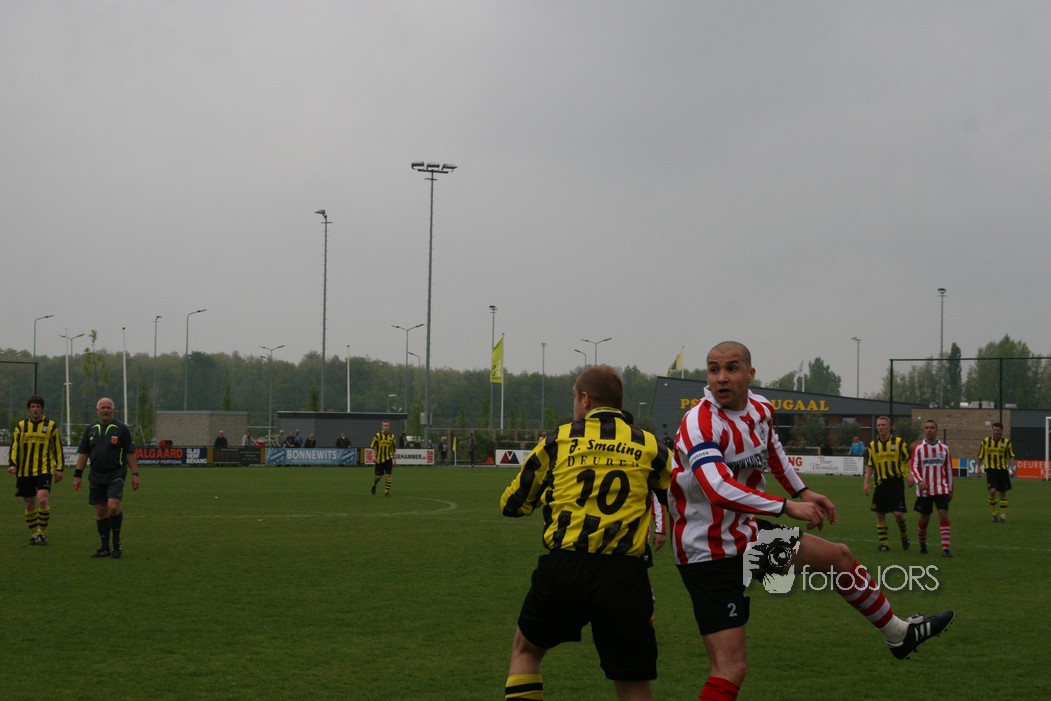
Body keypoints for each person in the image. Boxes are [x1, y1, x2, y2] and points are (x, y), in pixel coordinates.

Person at [668, 342, 953, 700]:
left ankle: (899, 635)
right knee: (730, 668)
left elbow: (772, 450)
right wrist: (787, 506)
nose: (721, 378)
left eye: (732, 368)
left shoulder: (761, 409)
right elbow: (717, 489)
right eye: (714, 370)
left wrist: (803, 491)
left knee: (839, 557)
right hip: (707, 552)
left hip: (746, 536)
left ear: (751, 374)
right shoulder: (700, 422)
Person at [500, 365, 672, 701]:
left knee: (526, 651)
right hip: (625, 575)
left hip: (567, 567)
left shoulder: (558, 440)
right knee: (633, 679)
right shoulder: (650, 445)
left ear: (584, 399)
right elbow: (679, 493)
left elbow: (513, 504)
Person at [73, 397, 140, 559]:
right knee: (101, 511)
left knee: (113, 507)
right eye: (102, 407)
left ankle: (116, 543)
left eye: (108, 407)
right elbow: (84, 453)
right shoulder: (91, 429)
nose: (105, 410)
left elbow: (130, 452)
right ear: (97, 410)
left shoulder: (121, 429)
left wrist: (135, 474)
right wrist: (77, 475)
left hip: (116, 474)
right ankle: (104, 547)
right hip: (96, 475)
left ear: (113, 410)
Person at [8, 395, 64, 545]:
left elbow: (57, 448)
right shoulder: (21, 426)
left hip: (44, 469)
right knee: (29, 504)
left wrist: (59, 468)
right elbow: (14, 446)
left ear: (42, 409)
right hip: (24, 471)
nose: (35, 409)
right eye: (32, 407)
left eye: (38, 407)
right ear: (28, 409)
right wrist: (12, 463)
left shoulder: (51, 426)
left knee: (43, 499)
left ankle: (41, 533)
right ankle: (35, 534)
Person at [864, 416, 911, 551]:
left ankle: (904, 534)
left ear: (889, 427)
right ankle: (884, 544)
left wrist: (911, 474)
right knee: (880, 513)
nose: (881, 427)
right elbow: (870, 465)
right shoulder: (872, 446)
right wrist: (866, 482)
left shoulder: (899, 442)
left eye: (883, 425)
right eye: (879, 425)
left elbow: (908, 459)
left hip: (896, 482)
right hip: (881, 483)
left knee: (898, 514)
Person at [909, 419, 954, 556]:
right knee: (924, 519)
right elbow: (913, 467)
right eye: (927, 428)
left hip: (941, 488)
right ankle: (922, 544)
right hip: (924, 490)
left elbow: (949, 469)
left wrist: (951, 488)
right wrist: (920, 481)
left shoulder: (944, 448)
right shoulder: (918, 448)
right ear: (924, 430)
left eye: (932, 427)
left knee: (943, 514)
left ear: (936, 430)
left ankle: (945, 548)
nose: (929, 430)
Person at [977, 421, 1015, 522]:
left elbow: (1011, 456)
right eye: (994, 430)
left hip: (1002, 470)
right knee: (992, 491)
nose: (996, 432)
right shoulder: (986, 441)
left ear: (1001, 431)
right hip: (991, 470)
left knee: (1002, 493)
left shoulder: (1006, 442)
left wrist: (1012, 468)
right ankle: (994, 513)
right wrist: (978, 468)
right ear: (992, 430)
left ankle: (1003, 515)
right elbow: (980, 455)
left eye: (998, 430)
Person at [369, 420, 397, 496]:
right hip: (379, 459)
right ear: (382, 426)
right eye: (384, 425)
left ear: (389, 426)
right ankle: (374, 485)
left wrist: (395, 460)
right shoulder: (377, 436)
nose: (385, 427)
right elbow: (372, 447)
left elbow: (393, 449)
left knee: (389, 475)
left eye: (387, 425)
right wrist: (374, 456)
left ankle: (387, 492)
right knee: (378, 477)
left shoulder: (392, 437)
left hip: (388, 459)